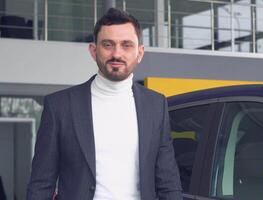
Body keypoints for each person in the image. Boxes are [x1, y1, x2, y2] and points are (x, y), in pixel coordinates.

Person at [27, 8, 182, 200]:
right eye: (108, 45)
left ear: (139, 52)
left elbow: (168, 182)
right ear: (94, 50)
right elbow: (41, 184)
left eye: (126, 45)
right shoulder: (60, 106)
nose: (116, 54)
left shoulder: (156, 105)